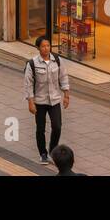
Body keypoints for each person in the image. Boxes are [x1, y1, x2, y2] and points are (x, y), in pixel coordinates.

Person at [24, 36, 71, 164]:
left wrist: (66, 95)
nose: (46, 48)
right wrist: (30, 102)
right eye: (43, 46)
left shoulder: (57, 60)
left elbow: (63, 77)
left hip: (54, 100)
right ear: (38, 48)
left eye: (48, 46)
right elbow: (28, 84)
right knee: (40, 129)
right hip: (40, 102)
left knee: (57, 127)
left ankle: (52, 150)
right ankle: (43, 153)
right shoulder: (32, 64)